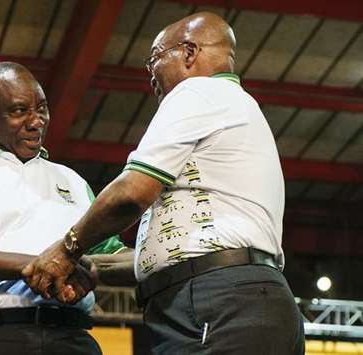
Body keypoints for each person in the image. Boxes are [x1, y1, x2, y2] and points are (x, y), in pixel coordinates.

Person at [23, 12, 305, 355]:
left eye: (155, 58)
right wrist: (88, 266)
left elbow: (131, 193)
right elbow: (182, 248)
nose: (150, 74)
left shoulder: (197, 92)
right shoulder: (238, 107)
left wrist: (67, 248)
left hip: (215, 302)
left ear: (188, 53)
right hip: (248, 300)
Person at [0, 62, 127, 355]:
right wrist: (37, 265)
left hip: (73, 339)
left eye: (42, 108)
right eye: (19, 111)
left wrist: (172, 253)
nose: (37, 121)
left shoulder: (73, 181)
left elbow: (110, 254)